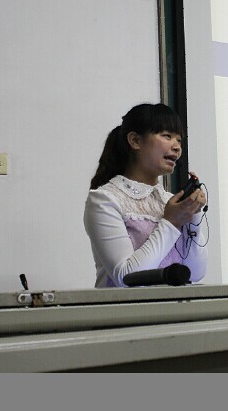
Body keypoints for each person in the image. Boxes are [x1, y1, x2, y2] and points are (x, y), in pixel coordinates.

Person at [84, 103, 208, 287]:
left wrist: (193, 216)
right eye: (167, 136)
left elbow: (195, 273)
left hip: (175, 306)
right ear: (135, 141)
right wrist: (171, 222)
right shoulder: (105, 200)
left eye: (179, 140)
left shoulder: (170, 202)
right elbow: (127, 278)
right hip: (128, 306)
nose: (177, 147)